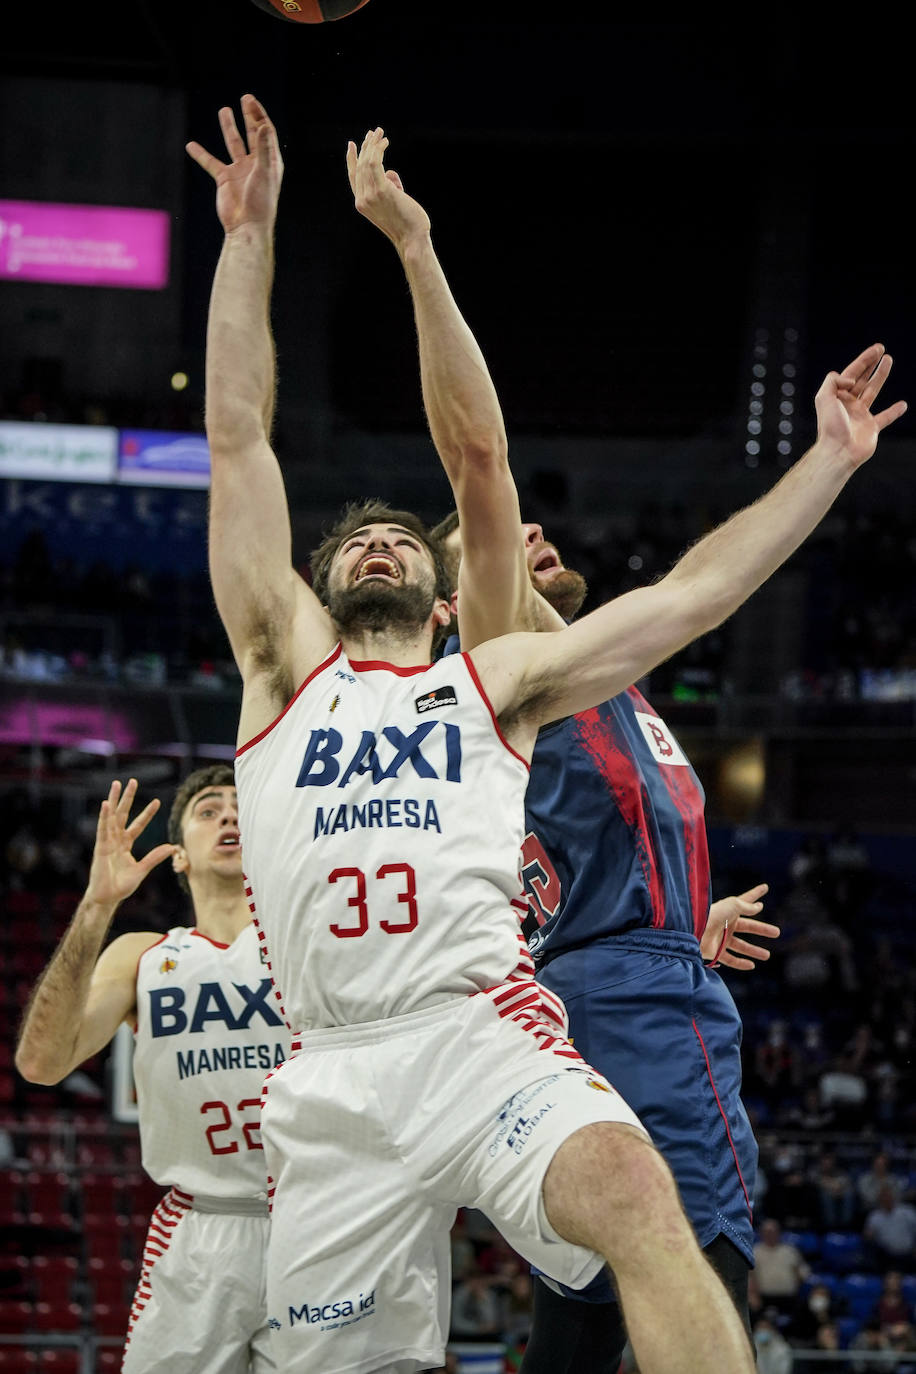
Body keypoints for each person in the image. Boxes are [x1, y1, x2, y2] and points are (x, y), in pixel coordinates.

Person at [187, 93, 904, 1374]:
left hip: (480, 1027)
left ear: (437, 586)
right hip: (336, 1071)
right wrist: (249, 233)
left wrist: (828, 465)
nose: (380, 537)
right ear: (325, 579)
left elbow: (684, 588)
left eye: (401, 535)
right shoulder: (280, 668)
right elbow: (237, 437)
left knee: (642, 1199)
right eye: (356, 535)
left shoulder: (498, 677)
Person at [342, 128, 828, 1371]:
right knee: (700, 1263)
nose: (527, 537)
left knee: (594, 1302)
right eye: (494, 548)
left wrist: (662, 919)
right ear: (462, 603)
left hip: (608, 980)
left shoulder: (618, 684)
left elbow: (704, 581)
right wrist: (415, 246)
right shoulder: (515, 666)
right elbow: (480, 458)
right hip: (631, 1006)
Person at [15, 766, 287, 1373]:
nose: (229, 818)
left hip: (320, 1216)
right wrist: (96, 906)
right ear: (179, 858)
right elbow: (40, 1063)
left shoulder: (311, 940)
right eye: (208, 810)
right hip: (202, 1228)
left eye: (242, 808)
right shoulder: (141, 954)